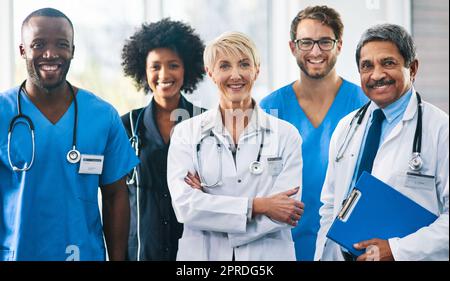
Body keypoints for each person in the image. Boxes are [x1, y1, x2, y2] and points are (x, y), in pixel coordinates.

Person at [0, 8, 138, 261]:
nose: (50, 54)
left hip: (83, 253)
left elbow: (115, 195)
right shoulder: (2, 112)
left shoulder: (102, 116)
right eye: (38, 44)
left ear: (72, 50)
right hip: (17, 253)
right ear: (22, 50)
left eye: (61, 45)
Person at [315, 23, 449, 261]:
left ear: (413, 68)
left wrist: (396, 251)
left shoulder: (440, 130)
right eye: (367, 66)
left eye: (388, 63)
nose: (376, 75)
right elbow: (329, 207)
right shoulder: (346, 127)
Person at [167, 31, 305, 261]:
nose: (236, 75)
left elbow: (286, 211)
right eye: (224, 66)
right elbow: (185, 207)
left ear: (257, 69)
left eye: (244, 64)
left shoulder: (286, 135)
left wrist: (210, 208)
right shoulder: (185, 133)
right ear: (210, 72)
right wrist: (259, 205)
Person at [259, 5, 368, 260]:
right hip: (282, 243)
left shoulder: (364, 105)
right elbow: (250, 174)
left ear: (339, 46)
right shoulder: (270, 108)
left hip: (347, 244)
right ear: (292, 47)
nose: (316, 51)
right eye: (306, 42)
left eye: (325, 42)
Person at [120, 18, 205, 261]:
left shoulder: (208, 124)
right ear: (143, 71)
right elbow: (116, 200)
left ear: (186, 68)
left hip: (195, 256)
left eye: (173, 65)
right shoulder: (126, 127)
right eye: (155, 66)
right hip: (142, 254)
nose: (164, 74)